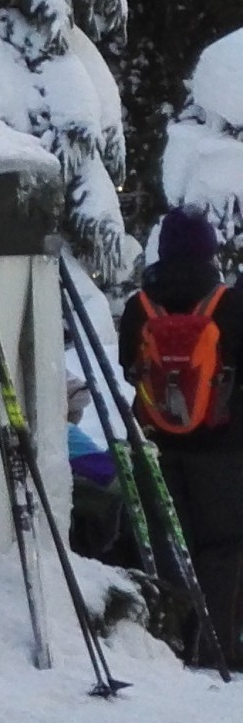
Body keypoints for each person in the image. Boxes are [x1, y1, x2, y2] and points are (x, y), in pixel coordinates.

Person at [122, 208, 243, 668]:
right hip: (224, 448)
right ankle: (216, 649)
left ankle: (172, 645)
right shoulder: (230, 304)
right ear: (210, 249)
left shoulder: (140, 306)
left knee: (171, 541)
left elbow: (128, 367)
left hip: (157, 444)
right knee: (222, 548)